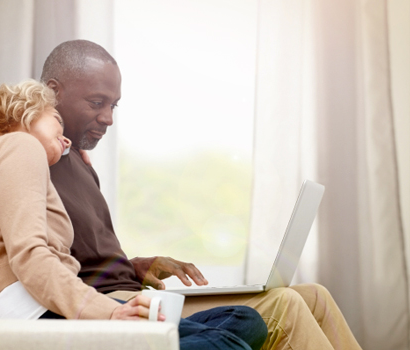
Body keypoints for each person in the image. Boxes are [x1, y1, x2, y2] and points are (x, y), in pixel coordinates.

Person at [42, 39, 363, 350]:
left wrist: (137, 264)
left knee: (314, 296)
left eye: (113, 105)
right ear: (53, 92)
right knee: (287, 305)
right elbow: (38, 261)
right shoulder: (28, 156)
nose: (108, 118)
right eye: (97, 103)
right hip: (114, 307)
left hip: (131, 291)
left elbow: (84, 251)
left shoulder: (77, 158)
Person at [0, 80, 267, 350]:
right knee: (229, 340)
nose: (66, 138)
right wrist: (109, 313)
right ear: (22, 113)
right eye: (57, 120)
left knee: (243, 320)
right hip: (40, 318)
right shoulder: (20, 146)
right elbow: (31, 257)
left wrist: (75, 172)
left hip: (39, 311)